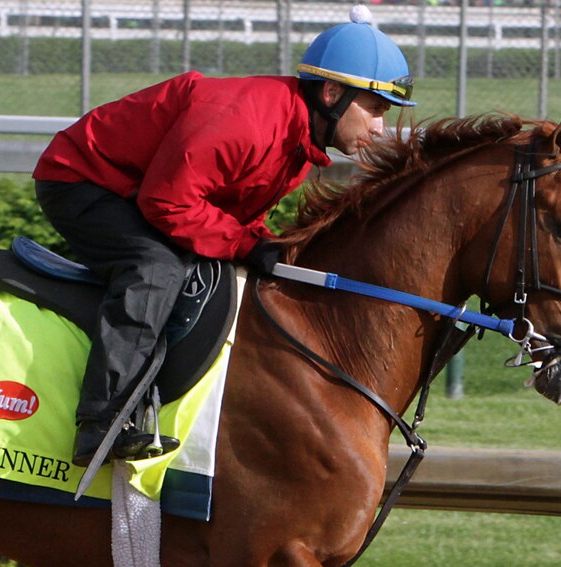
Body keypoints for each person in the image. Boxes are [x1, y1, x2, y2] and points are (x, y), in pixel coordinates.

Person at [33, 6, 417, 467]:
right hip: (81, 179)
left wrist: (262, 241)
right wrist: (246, 245)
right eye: (374, 108)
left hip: (142, 187)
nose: (380, 126)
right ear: (332, 93)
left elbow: (223, 210)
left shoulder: (298, 142)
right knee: (156, 269)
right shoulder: (249, 122)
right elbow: (168, 203)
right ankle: (102, 423)